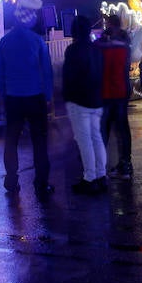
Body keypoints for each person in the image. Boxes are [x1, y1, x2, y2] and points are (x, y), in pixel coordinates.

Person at [0, 0, 53, 198]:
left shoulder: (4, 42)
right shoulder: (37, 41)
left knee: (11, 139)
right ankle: (42, 182)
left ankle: (11, 180)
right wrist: (48, 96)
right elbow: (46, 71)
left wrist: (4, 94)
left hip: (13, 98)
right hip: (35, 97)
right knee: (39, 141)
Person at [61, 15, 107, 194]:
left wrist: (66, 95)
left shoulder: (73, 49)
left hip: (79, 100)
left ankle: (90, 178)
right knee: (96, 137)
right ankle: (101, 175)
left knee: (84, 139)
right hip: (96, 99)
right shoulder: (96, 50)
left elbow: (69, 75)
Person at [97, 14, 132, 179]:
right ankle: (125, 165)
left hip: (105, 92)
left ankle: (100, 167)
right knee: (122, 129)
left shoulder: (102, 47)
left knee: (104, 130)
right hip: (121, 91)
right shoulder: (126, 47)